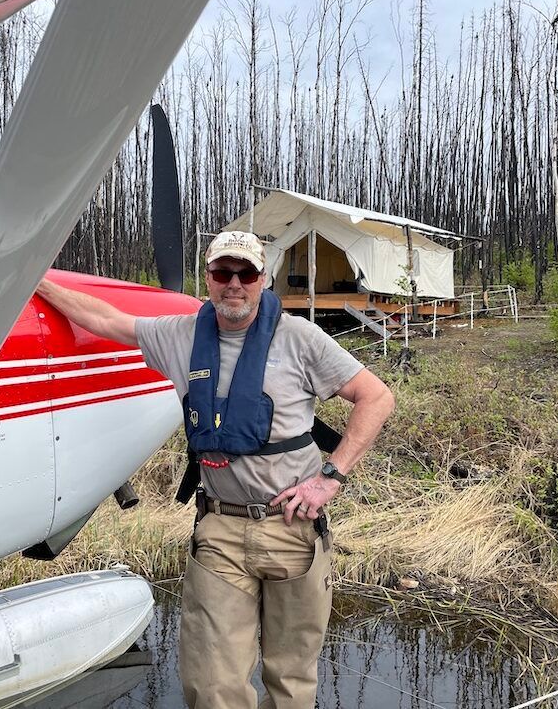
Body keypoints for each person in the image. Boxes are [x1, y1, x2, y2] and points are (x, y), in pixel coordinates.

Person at [36, 230, 394, 709]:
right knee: (210, 685)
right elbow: (107, 319)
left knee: (291, 681)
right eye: (222, 273)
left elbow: (377, 397)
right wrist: (34, 282)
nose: (234, 284)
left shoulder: (299, 338)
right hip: (220, 527)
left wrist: (329, 478)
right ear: (208, 277)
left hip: (293, 527)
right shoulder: (180, 335)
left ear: (263, 279)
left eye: (245, 273)